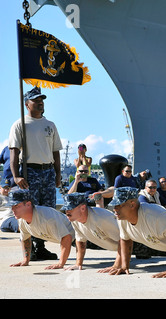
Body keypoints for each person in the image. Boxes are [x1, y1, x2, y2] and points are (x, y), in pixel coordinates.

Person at [8, 86, 63, 260]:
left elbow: (56, 152)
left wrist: (58, 174)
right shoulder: (20, 125)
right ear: (27, 104)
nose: (40, 103)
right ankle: (29, 248)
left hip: (47, 171)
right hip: (29, 171)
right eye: (36, 100)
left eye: (42, 100)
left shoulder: (50, 125)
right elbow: (14, 153)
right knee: (28, 210)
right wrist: (16, 176)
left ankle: (41, 247)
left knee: (47, 210)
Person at [108, 187, 166, 277]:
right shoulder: (122, 218)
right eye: (114, 205)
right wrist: (124, 267)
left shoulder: (155, 215)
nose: (115, 209)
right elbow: (125, 239)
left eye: (118, 205)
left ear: (132, 205)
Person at [6, 188, 75, 270]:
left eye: (16, 206)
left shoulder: (47, 218)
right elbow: (25, 238)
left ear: (28, 204)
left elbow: (67, 237)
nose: (13, 210)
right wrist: (25, 260)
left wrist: (61, 263)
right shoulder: (21, 220)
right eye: (12, 206)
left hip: (82, 234)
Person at [61, 192, 122, 271]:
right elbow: (80, 241)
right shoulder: (75, 219)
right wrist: (78, 264)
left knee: (142, 254)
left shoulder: (101, 218)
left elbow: (124, 240)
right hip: (109, 242)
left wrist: (116, 265)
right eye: (66, 208)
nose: (67, 212)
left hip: (136, 242)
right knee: (74, 240)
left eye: (70, 208)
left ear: (83, 208)